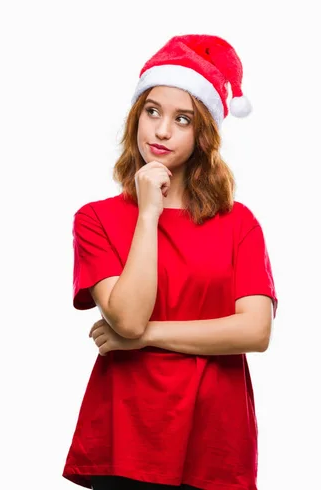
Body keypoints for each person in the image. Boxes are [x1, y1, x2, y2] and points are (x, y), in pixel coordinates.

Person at [62, 34, 278, 490]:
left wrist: (143, 340)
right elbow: (126, 316)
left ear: (203, 134)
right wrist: (148, 213)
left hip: (214, 436)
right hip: (127, 437)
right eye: (152, 111)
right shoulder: (96, 218)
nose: (161, 131)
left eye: (182, 119)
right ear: (136, 116)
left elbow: (254, 331)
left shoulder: (239, 223)